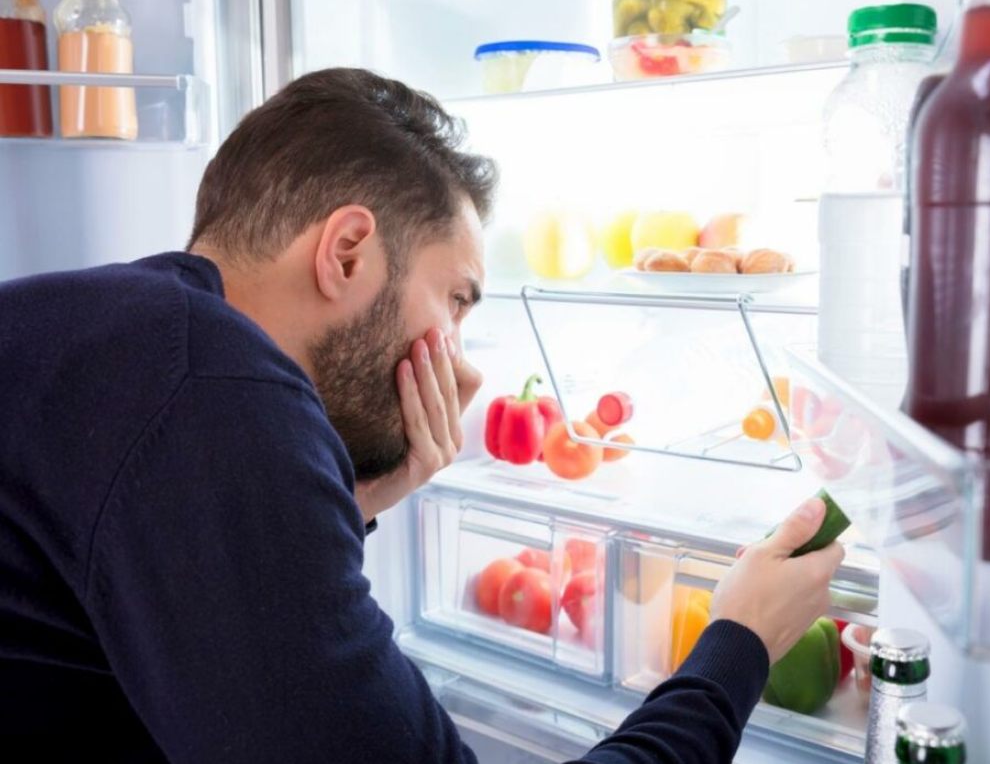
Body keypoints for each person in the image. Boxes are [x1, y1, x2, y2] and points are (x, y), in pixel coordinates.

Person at [0, 68, 844, 763]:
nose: (462, 363)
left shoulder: (119, 333)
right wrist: (738, 640)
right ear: (347, 253)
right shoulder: (217, 397)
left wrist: (359, 491)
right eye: (455, 301)